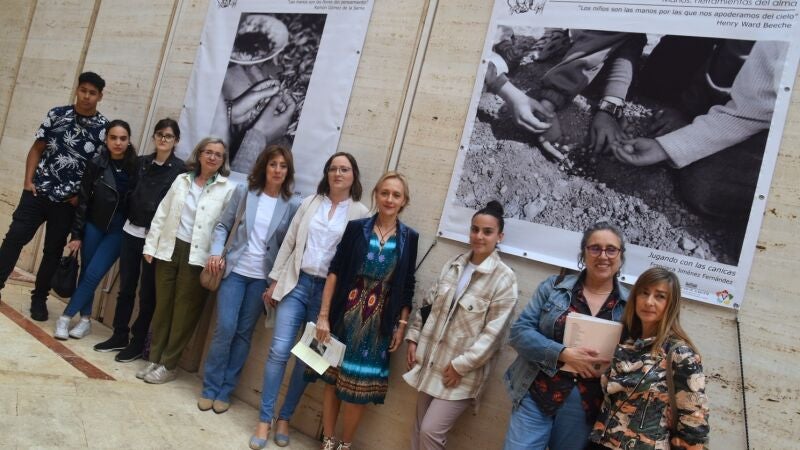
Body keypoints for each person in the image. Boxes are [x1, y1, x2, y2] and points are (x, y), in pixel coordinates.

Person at [249, 152, 369, 449]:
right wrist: (275, 280)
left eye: (344, 169)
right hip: (297, 284)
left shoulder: (360, 213)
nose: (338, 174)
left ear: (354, 175)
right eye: (333, 168)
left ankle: (285, 417)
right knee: (279, 351)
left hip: (327, 297)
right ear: (326, 173)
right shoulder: (310, 203)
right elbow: (290, 242)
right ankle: (265, 419)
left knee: (309, 361)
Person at [614, 40, 781, 222]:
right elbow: (751, 112)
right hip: (771, 121)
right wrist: (665, 147)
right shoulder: (774, 40)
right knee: (705, 183)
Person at [311, 172, 419, 450]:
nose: (389, 199)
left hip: (379, 323)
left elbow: (407, 284)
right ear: (376, 195)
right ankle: (328, 440)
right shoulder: (356, 228)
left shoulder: (410, 238)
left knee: (358, 389)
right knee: (333, 379)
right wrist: (323, 316)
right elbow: (335, 271)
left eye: (396, 195)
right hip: (344, 314)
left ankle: (345, 445)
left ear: (404, 201)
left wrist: (402, 324)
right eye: (385, 193)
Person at [503, 222, 630, 450]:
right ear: (584, 253)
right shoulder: (554, 287)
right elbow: (520, 332)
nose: (603, 256)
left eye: (611, 249)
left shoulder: (629, 306)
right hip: (538, 394)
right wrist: (563, 354)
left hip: (585, 406)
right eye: (595, 248)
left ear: (621, 256)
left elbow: (634, 359)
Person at [404, 200, 519, 450]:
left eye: (487, 231)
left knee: (430, 431)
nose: (479, 236)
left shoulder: (504, 279)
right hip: (431, 361)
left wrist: (460, 366)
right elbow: (427, 305)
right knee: (419, 427)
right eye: (475, 229)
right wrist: (413, 338)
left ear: (499, 236)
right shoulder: (454, 264)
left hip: (461, 374)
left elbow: (494, 335)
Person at [199, 145, 301, 414]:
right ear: (264, 167)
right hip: (234, 272)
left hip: (261, 280)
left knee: (243, 334)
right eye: (273, 164)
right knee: (225, 328)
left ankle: (225, 391)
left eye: (283, 166)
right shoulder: (245, 192)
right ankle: (209, 388)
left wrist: (277, 281)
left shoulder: (293, 205)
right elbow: (223, 225)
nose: (277, 170)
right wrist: (215, 252)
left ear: (288, 171)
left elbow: (290, 246)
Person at [0, 72, 108, 321]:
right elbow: (37, 149)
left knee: (53, 252)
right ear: (77, 90)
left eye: (92, 93)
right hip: (38, 192)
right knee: (14, 237)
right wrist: (28, 182)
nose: (86, 96)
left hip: (67, 203)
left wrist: (81, 198)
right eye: (83, 90)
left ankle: (39, 299)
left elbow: (100, 173)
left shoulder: (104, 129)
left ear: (100, 96)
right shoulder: (57, 114)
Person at [137, 137, 236, 384]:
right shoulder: (182, 180)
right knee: (163, 307)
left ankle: (169, 365)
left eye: (218, 154)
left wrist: (218, 255)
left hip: (198, 257)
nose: (212, 157)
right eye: (208, 152)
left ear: (223, 161)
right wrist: (151, 245)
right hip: (169, 248)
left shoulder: (228, 189)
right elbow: (162, 213)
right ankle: (155, 358)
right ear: (199, 154)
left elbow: (226, 227)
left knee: (184, 313)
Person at [92, 118, 186, 361]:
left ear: (176, 140)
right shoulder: (141, 162)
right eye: (160, 134)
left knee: (147, 294)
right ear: (154, 137)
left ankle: (137, 341)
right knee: (126, 288)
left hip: (154, 240)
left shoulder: (181, 171)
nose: (163, 139)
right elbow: (129, 191)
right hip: (130, 231)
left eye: (168, 136)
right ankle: (119, 334)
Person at [587, 267, 709, 449]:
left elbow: (695, 424)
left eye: (660, 296)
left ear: (671, 304)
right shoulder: (626, 341)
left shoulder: (680, 354)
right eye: (644, 293)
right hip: (602, 441)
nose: (649, 302)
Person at [53, 120, 137, 340]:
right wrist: (76, 234)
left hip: (118, 230)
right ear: (106, 139)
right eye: (113, 138)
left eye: (123, 138)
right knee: (86, 272)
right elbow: (83, 200)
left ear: (129, 141)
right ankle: (85, 320)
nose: (118, 142)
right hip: (94, 225)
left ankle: (65, 317)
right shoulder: (97, 163)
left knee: (93, 274)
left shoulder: (136, 167)